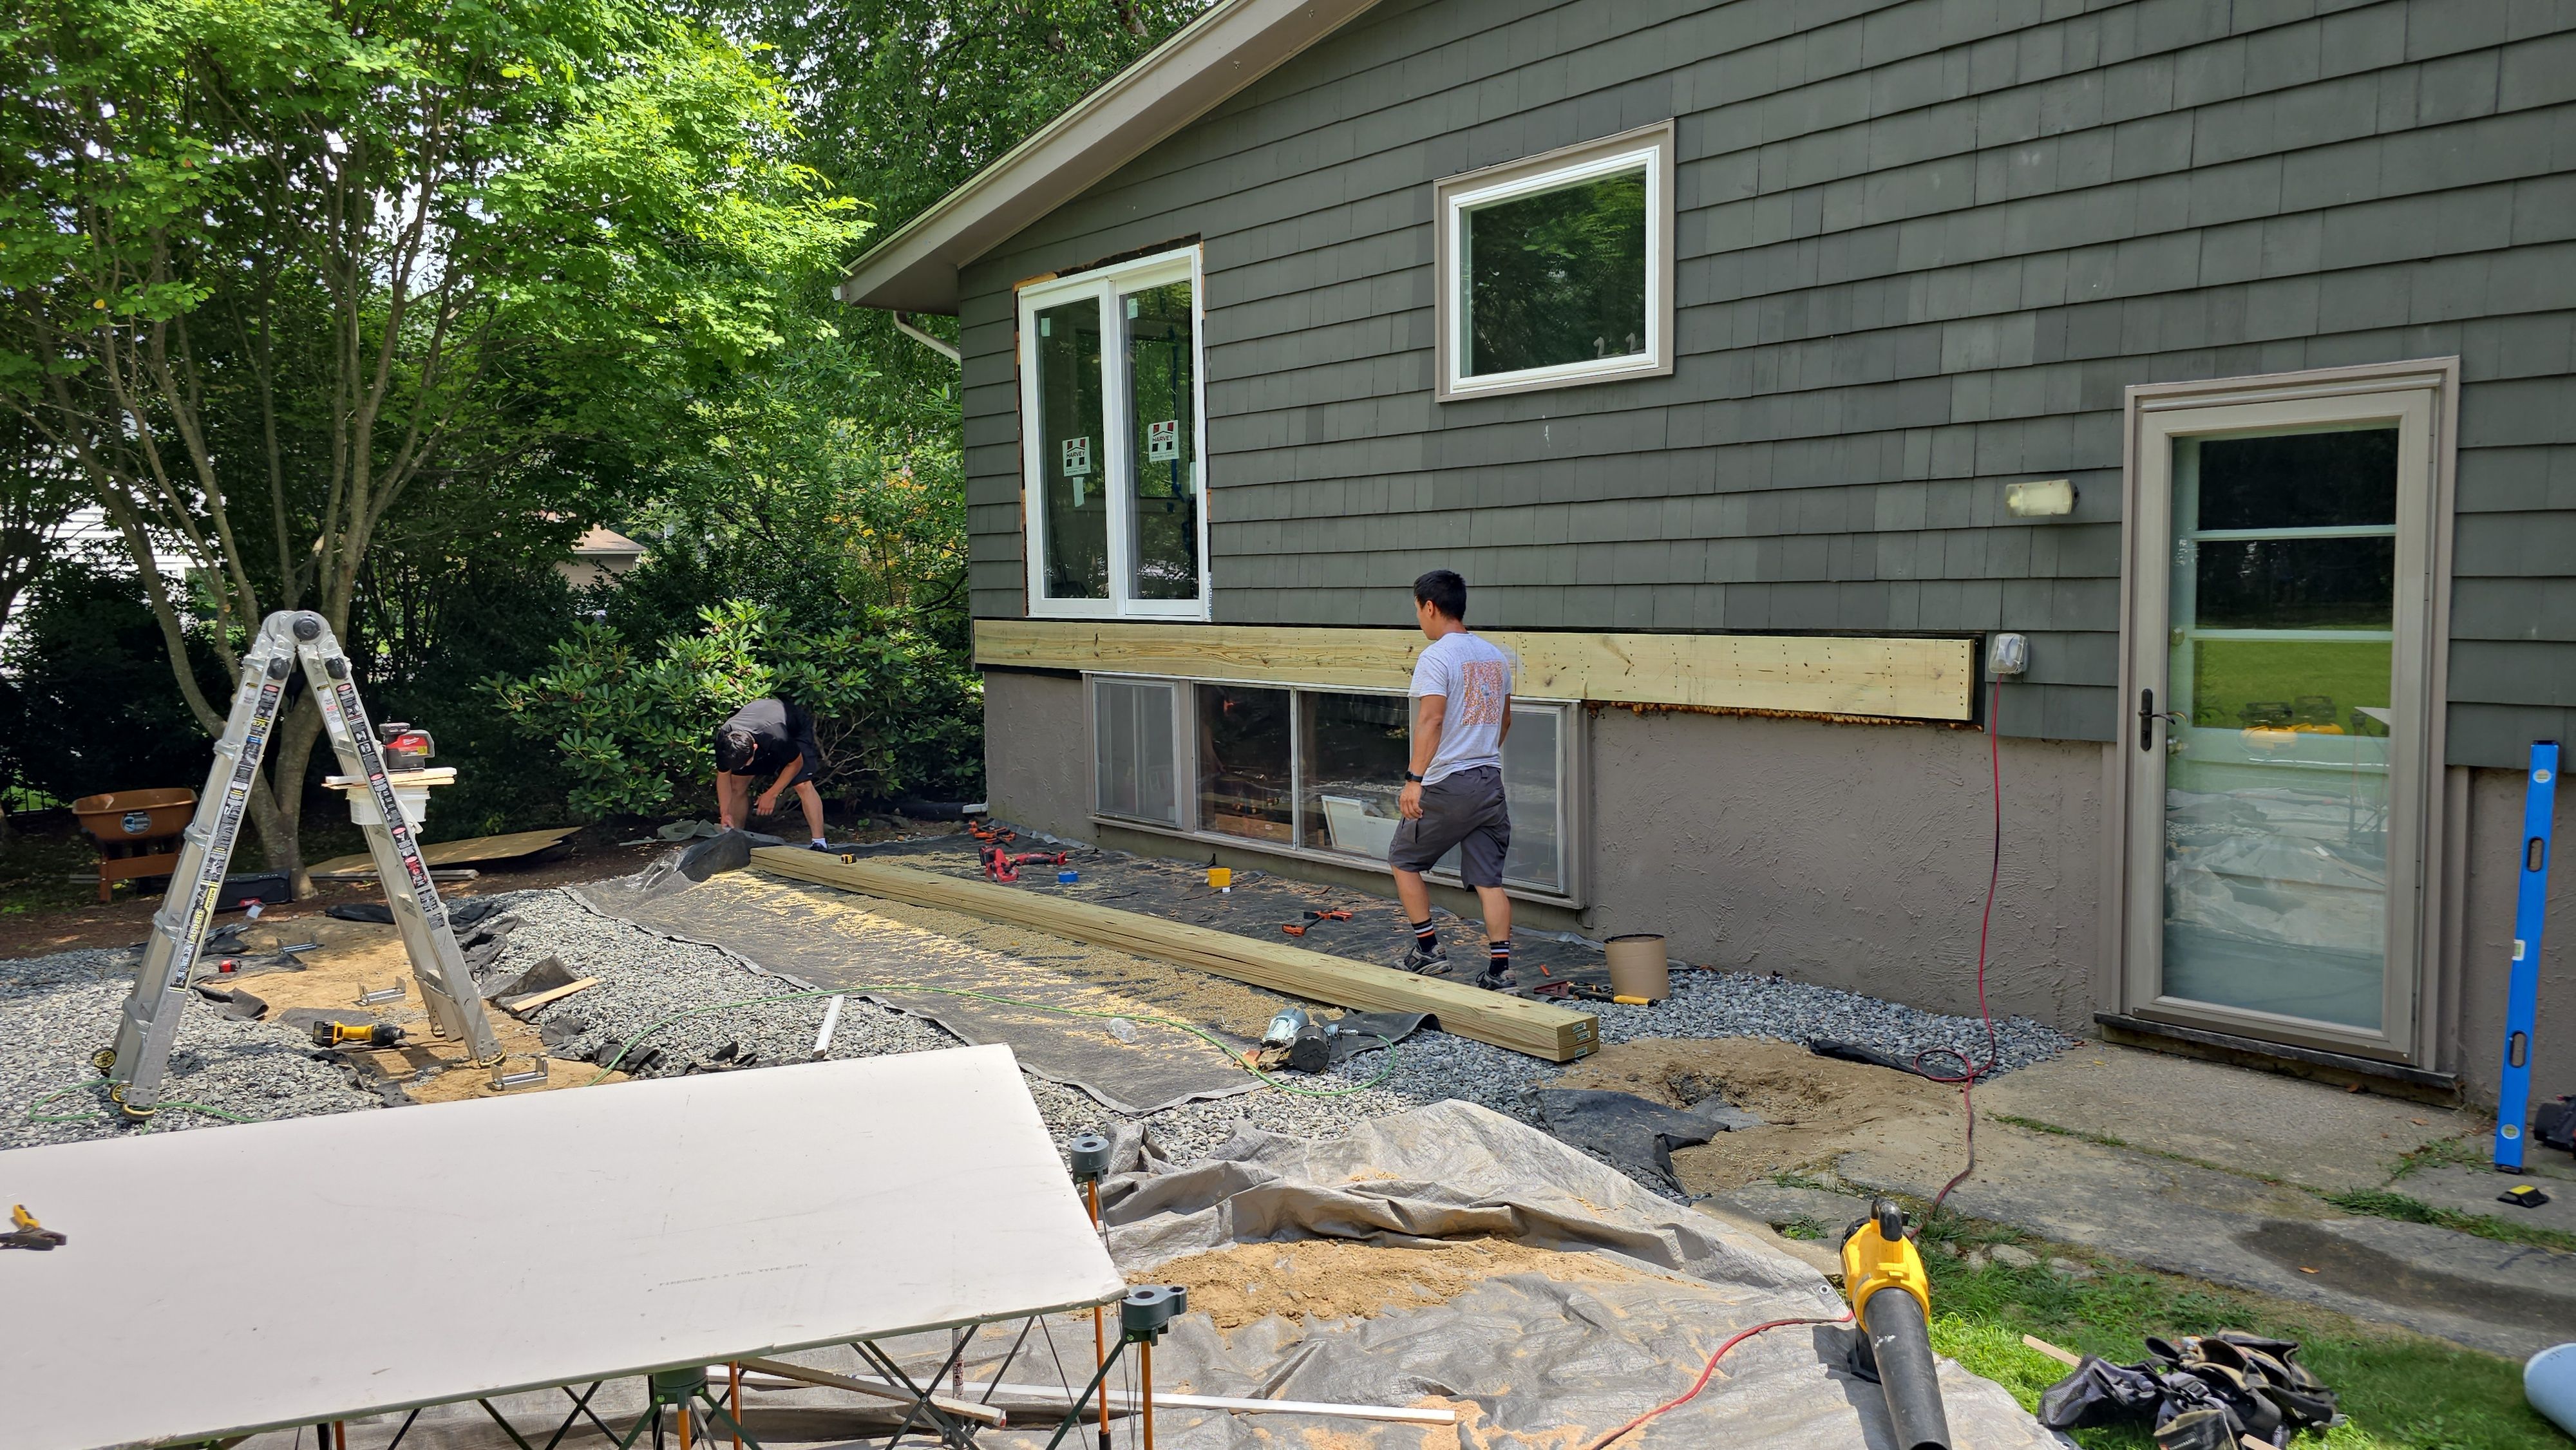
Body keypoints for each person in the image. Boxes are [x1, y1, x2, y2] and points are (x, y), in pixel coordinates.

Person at [1386, 569, 1515, 990]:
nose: (1419, 620)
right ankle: (1501, 972)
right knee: (1488, 880)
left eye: (1418, 611)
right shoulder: (1495, 657)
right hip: (1489, 781)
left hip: (1449, 784)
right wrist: (1481, 752)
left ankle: (1428, 950)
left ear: (1430, 607)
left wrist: (1414, 779)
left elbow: (1432, 718)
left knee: (1403, 860)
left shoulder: (1437, 657)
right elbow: (1505, 720)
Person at [713, 696, 830, 849]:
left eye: (744, 765)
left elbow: (795, 764)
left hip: (793, 729)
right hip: (758, 726)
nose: (741, 769)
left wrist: (772, 794)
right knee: (737, 784)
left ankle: (819, 842)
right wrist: (725, 812)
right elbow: (723, 776)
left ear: (755, 749)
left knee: (802, 784)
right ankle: (735, 837)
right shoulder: (725, 740)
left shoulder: (776, 736)